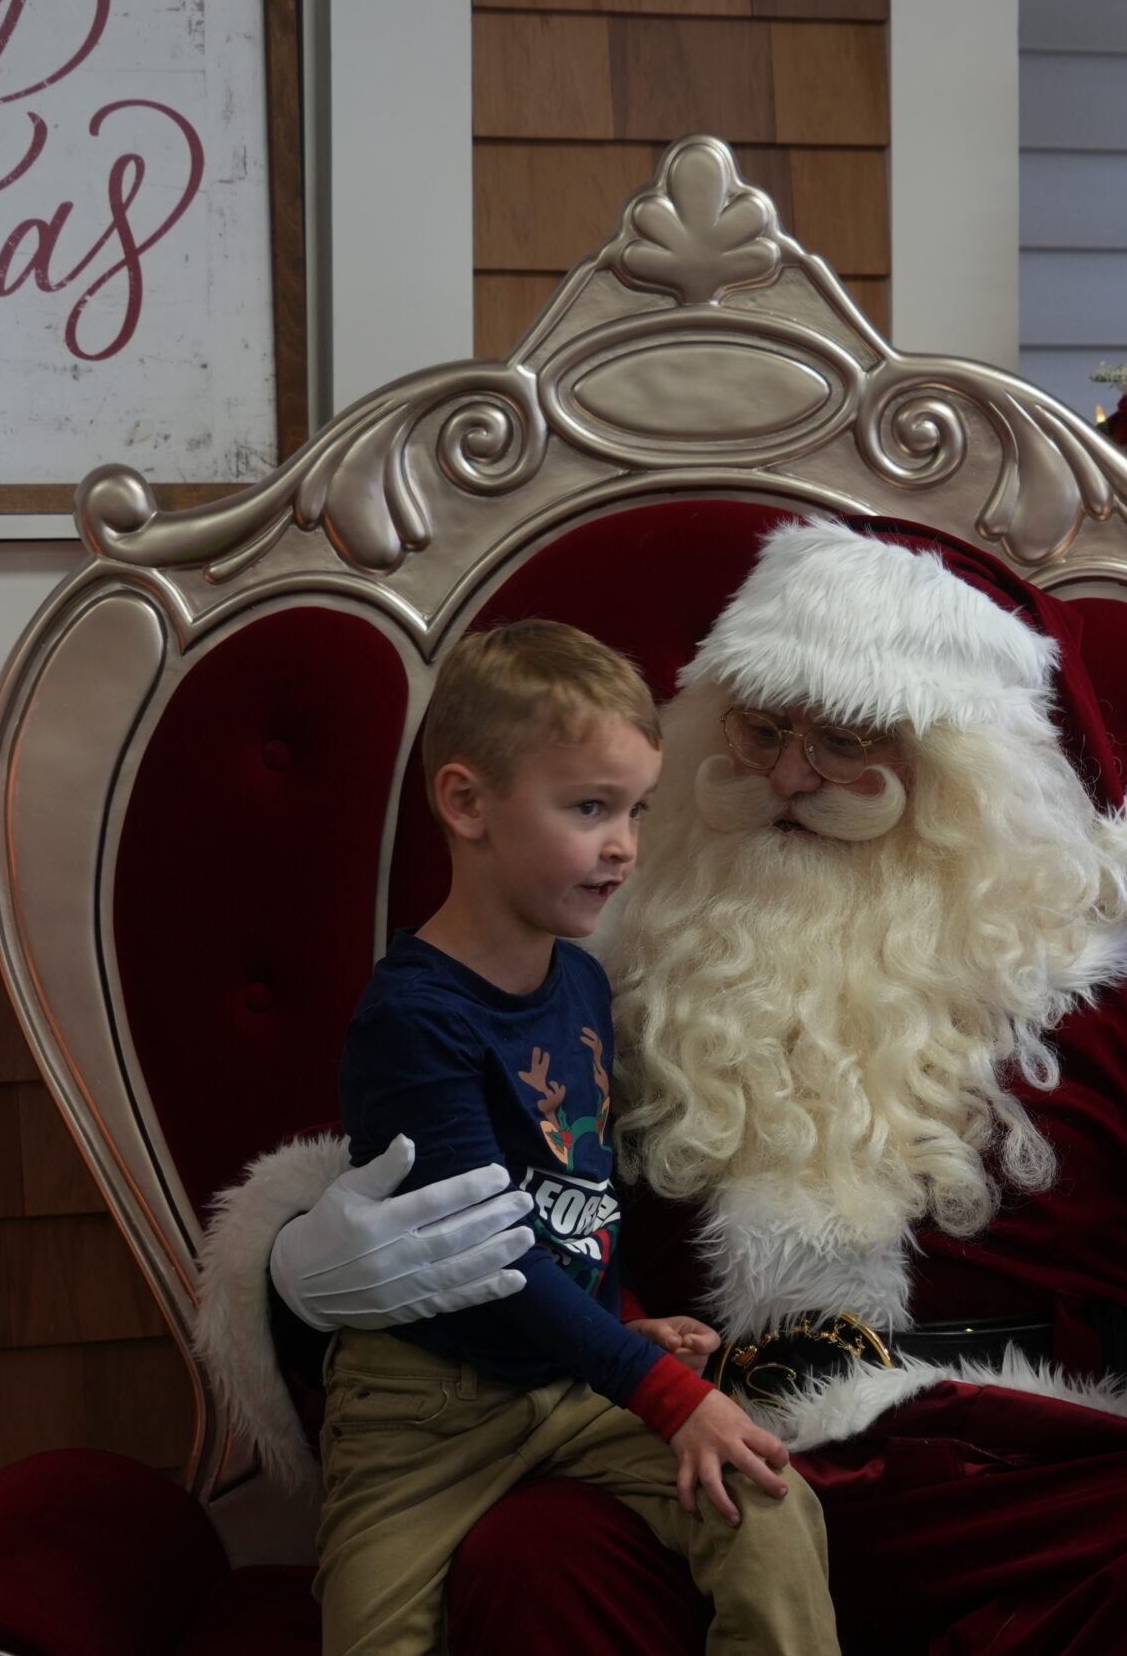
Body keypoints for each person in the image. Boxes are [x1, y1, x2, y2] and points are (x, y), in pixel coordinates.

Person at [201, 520, 1127, 1655]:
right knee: (533, 1556)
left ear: (970, 774)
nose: (791, 777)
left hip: (1012, 1471)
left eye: (845, 738)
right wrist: (298, 1277)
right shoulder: (605, 957)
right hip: (682, 1449)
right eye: (761, 730)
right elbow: (440, 1169)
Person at [317, 620, 839, 1656]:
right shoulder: (414, 1018)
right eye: (590, 808)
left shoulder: (583, 985)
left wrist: (623, 1318)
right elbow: (494, 1258)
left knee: (767, 1498)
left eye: (637, 810)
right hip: (426, 1410)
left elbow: (576, 1193)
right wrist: (665, 1392)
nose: (624, 846)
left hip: (571, 1377)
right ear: (467, 803)